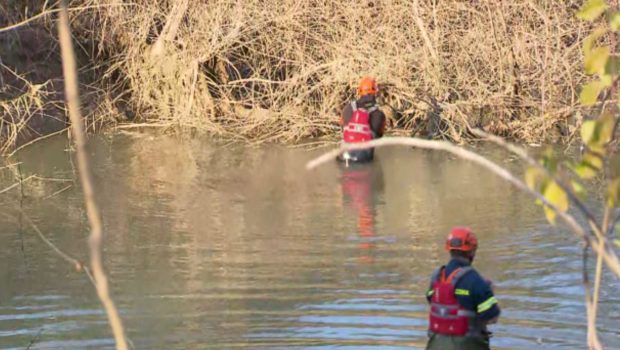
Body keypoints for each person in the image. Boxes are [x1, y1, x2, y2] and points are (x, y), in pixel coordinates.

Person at [425, 227, 500, 350]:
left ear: (449, 249)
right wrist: (488, 291)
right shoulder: (476, 281)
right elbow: (492, 317)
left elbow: (432, 300)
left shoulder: (436, 276)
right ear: (472, 252)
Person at [339, 76, 386, 163]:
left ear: (360, 91)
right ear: (375, 92)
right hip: (363, 159)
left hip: (344, 156)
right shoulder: (379, 115)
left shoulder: (347, 108)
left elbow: (342, 127)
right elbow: (379, 135)